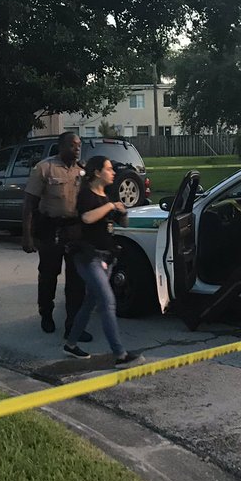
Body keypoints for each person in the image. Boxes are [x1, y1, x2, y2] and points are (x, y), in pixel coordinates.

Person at [64, 155, 142, 366]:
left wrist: (122, 212)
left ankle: (71, 344)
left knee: (89, 303)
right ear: (97, 172)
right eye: (109, 169)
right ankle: (120, 355)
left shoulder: (105, 196)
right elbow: (87, 218)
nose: (113, 172)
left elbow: (121, 224)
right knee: (108, 302)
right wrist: (110, 207)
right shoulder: (86, 196)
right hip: (88, 259)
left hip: (107, 258)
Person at [22, 132, 88, 340]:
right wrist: (27, 236)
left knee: (76, 280)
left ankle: (73, 326)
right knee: (49, 275)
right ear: (61, 147)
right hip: (50, 229)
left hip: (74, 230)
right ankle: (46, 314)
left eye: (78, 145)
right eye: (72, 145)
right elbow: (29, 205)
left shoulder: (83, 170)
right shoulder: (45, 168)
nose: (77, 149)